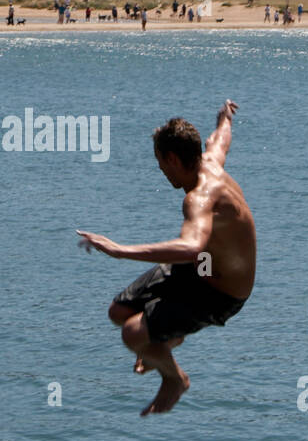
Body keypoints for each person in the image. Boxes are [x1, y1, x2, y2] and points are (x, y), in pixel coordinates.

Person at [78, 104, 255, 416]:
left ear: (173, 158)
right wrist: (224, 117)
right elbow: (220, 139)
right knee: (118, 311)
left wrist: (118, 250)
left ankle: (175, 380)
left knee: (133, 334)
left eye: (160, 163)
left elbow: (190, 247)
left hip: (223, 292)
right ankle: (170, 338)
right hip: (203, 267)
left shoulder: (199, 198)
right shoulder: (209, 158)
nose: (160, 170)